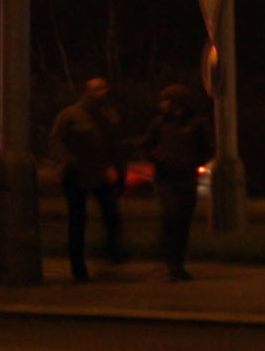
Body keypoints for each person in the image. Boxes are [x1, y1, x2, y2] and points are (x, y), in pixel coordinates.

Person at [47, 76, 126, 281]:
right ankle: (78, 269)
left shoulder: (109, 115)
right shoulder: (71, 115)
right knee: (77, 221)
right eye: (96, 89)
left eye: (103, 88)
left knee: (112, 217)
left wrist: (119, 170)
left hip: (101, 173)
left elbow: (115, 145)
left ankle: (113, 258)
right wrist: (67, 161)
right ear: (86, 92)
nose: (100, 92)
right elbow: (56, 141)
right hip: (76, 174)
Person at [136, 84, 216, 282]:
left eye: (167, 100)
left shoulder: (196, 123)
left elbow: (208, 147)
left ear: (177, 102)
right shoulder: (159, 123)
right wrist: (158, 158)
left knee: (183, 221)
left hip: (187, 178)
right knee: (171, 216)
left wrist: (193, 162)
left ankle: (178, 262)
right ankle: (171, 261)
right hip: (165, 178)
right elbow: (147, 144)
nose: (163, 104)